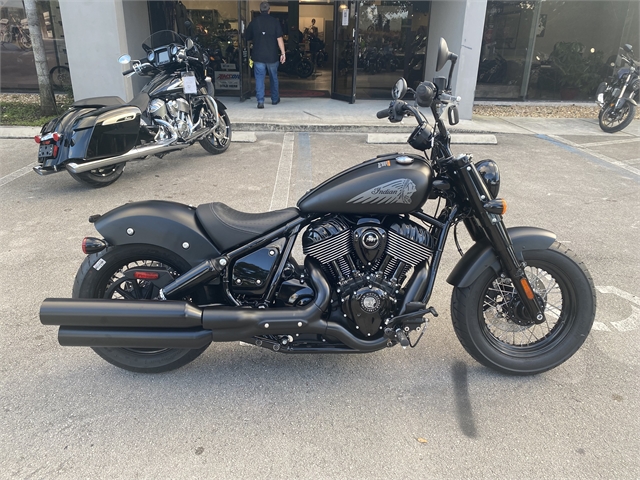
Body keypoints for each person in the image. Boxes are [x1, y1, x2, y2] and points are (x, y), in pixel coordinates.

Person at [245, 2, 286, 108]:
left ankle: (260, 101)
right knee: (274, 78)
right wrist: (283, 53)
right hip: (272, 56)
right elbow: (279, 38)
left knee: (259, 79)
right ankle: (275, 99)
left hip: (258, 55)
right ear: (269, 10)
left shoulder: (254, 22)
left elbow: (247, 36)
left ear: (260, 10)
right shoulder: (275, 22)